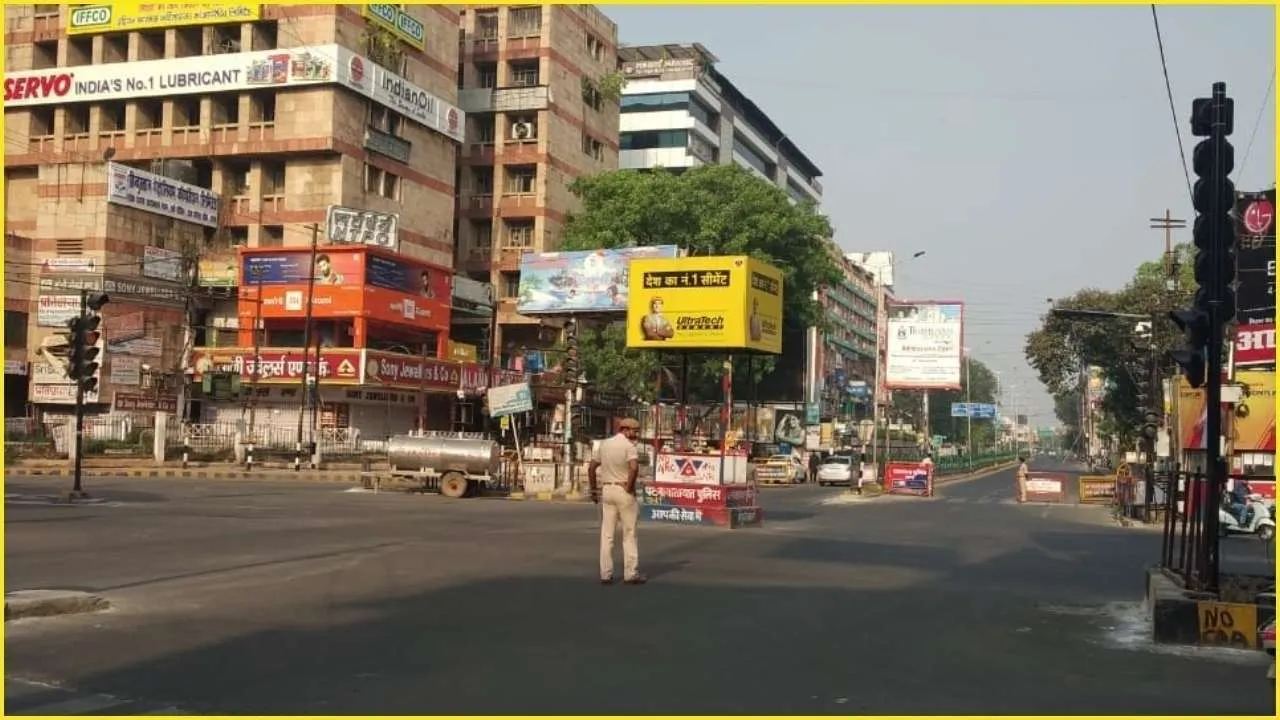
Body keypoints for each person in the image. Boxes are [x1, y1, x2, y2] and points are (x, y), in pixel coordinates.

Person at [589, 417, 645, 585]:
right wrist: (629, 487)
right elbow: (634, 468)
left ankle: (605, 574)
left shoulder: (604, 444)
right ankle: (630, 573)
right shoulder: (629, 447)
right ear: (626, 430)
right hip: (623, 491)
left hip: (607, 490)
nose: (635, 435)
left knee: (607, 535)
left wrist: (593, 489)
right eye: (634, 432)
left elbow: (592, 468)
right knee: (629, 533)